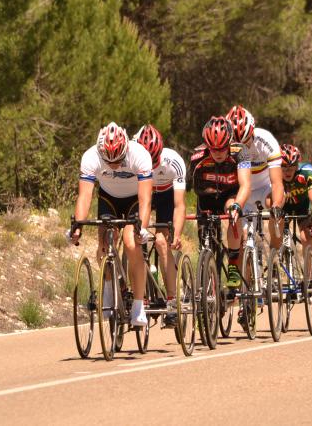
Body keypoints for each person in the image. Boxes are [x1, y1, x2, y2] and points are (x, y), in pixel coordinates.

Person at [67, 122, 154, 326]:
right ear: (101, 152)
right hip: (109, 198)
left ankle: (139, 306)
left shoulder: (139, 154)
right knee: (104, 243)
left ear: (126, 150)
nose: (114, 165)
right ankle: (108, 288)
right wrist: (77, 226)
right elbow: (84, 196)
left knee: (132, 243)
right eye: (109, 161)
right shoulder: (90, 156)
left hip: (134, 199)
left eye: (119, 160)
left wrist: (142, 227)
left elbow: (145, 200)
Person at [133, 124, 186, 328]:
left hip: (165, 195)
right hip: (140, 193)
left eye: (154, 161)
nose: (151, 165)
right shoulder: (133, 158)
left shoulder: (174, 162)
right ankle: (141, 291)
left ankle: (172, 301)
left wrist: (178, 234)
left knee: (163, 242)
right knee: (135, 240)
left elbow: (179, 205)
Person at [190, 116, 252, 290]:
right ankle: (207, 276)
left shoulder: (240, 152)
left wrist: (238, 205)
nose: (217, 153)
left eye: (222, 148)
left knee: (233, 211)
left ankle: (233, 263)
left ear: (229, 143)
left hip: (229, 194)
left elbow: (246, 185)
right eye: (213, 149)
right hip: (206, 196)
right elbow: (193, 187)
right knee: (204, 242)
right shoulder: (197, 156)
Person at [225, 105, 284, 223]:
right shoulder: (225, 144)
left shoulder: (266, 140)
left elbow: (277, 183)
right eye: (236, 144)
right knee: (236, 223)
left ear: (252, 131)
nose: (243, 148)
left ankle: (275, 241)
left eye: (246, 141)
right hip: (240, 191)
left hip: (264, 188)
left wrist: (276, 205)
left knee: (276, 207)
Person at [270, 144, 312, 260]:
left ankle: (309, 277)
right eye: (283, 167)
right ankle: (273, 270)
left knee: (306, 238)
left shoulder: (307, 172)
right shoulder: (273, 174)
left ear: (297, 166)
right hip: (283, 206)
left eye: (291, 166)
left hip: (302, 206)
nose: (287, 171)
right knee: (276, 238)